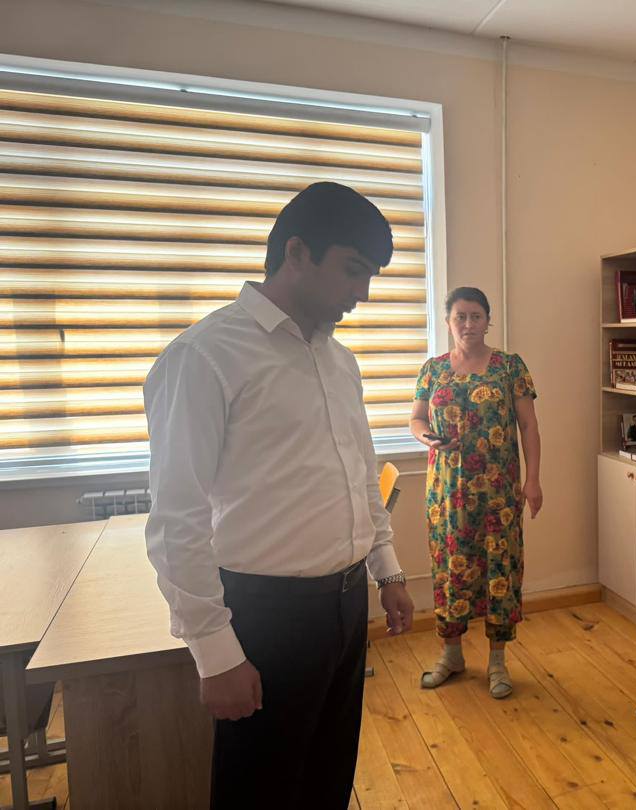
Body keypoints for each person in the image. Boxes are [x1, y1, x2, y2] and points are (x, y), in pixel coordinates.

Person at [144, 181, 415, 808]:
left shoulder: (340, 361)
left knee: (327, 778)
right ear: (296, 252)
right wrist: (214, 652)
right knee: (260, 792)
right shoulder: (204, 357)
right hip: (265, 615)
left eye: (370, 277)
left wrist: (388, 571)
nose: (362, 294)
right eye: (353, 270)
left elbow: (360, 476)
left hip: (346, 606)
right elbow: (177, 519)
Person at [410, 287, 542, 699]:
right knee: (450, 570)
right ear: (448, 322)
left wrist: (533, 480)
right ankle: (452, 655)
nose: (468, 324)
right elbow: (416, 419)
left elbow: (528, 426)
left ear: (488, 320)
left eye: (476, 316)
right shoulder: (432, 370)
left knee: (500, 571)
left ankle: (497, 661)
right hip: (447, 494)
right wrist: (428, 438)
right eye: (460, 317)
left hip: (499, 493)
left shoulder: (509, 367)